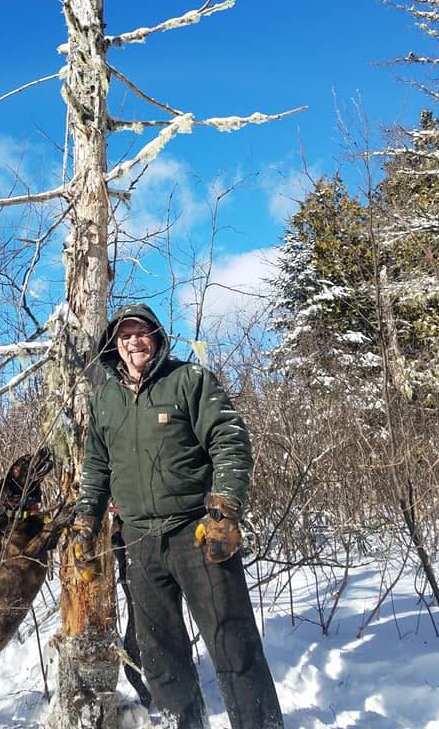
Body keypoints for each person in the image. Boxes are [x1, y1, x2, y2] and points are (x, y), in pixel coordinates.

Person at [72, 304, 284, 729]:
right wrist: (85, 522)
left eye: (142, 332)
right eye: (126, 335)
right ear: (115, 345)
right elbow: (96, 468)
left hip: (197, 533)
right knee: (161, 654)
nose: (135, 341)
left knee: (232, 642)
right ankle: (180, 723)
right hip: (138, 541)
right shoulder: (104, 401)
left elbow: (229, 438)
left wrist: (224, 507)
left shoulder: (188, 380)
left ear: (157, 336)